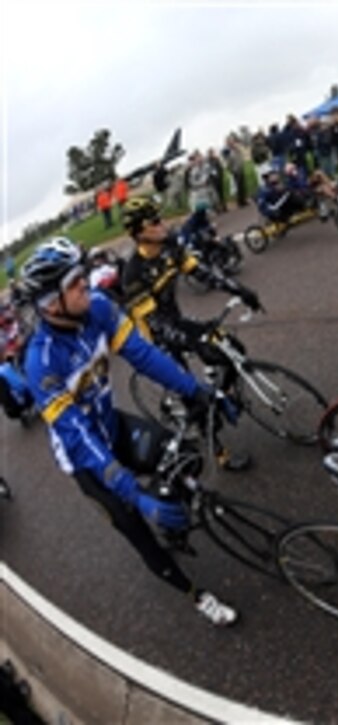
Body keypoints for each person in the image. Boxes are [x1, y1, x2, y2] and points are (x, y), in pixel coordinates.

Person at [20, 237, 240, 626]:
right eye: (74, 282)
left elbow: (145, 356)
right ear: (50, 304)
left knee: (185, 454)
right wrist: (134, 494)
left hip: (111, 423)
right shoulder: (41, 362)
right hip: (86, 459)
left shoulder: (99, 309)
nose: (85, 283)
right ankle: (197, 596)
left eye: (82, 274)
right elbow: (78, 436)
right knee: (136, 528)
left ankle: (173, 512)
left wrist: (197, 392)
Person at [118, 198, 261, 471]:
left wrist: (239, 289)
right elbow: (157, 325)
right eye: (154, 221)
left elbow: (202, 272)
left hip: (177, 320)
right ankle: (220, 454)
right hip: (157, 338)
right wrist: (195, 339)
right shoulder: (133, 274)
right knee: (193, 398)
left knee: (233, 348)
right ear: (139, 232)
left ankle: (225, 394)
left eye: (161, 218)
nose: (163, 224)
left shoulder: (171, 245)